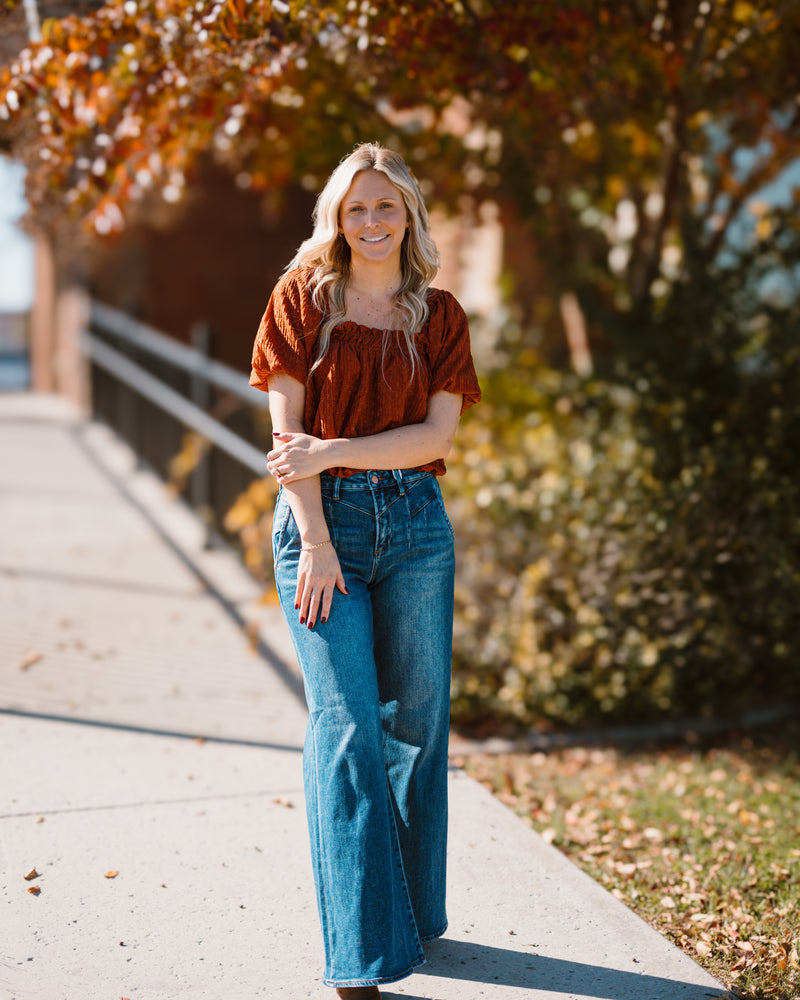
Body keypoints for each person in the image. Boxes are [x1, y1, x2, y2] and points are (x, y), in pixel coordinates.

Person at [250, 142, 481, 999]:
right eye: (358, 209)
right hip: (323, 530)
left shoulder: (440, 315)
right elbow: (287, 448)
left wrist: (336, 449)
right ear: (336, 220)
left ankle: (414, 917)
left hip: (416, 527)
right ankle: (361, 957)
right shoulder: (301, 302)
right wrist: (313, 537)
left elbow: (435, 438)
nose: (373, 222)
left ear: (410, 216)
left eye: (388, 207)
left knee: (416, 728)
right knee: (347, 729)